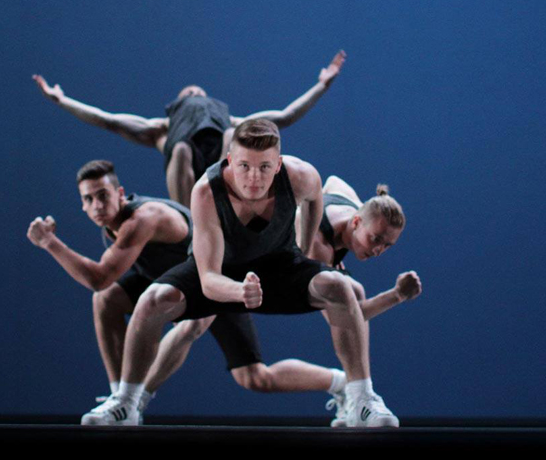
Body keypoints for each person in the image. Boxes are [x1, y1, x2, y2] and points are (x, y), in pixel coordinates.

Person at [91, 119, 405, 428]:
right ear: (230, 160)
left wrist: (304, 253)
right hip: (223, 274)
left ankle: (362, 399)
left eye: (265, 167)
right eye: (244, 166)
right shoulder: (206, 192)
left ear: (278, 164)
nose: (254, 178)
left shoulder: (303, 176)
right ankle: (126, 402)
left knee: (339, 286)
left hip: (279, 267)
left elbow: (315, 201)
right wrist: (239, 291)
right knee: (153, 300)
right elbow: (208, 278)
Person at [27, 159, 348, 425]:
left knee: (246, 371)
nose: (97, 205)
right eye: (88, 199)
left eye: (102, 195)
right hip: (165, 282)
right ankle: (120, 398)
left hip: (214, 278)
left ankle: (341, 382)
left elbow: (99, 276)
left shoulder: (143, 218)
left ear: (120, 193)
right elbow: (105, 286)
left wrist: (49, 242)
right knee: (107, 300)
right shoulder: (115, 226)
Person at [32, 51, 346, 206]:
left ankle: (229, 202)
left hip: (224, 180)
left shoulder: (231, 123)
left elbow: (285, 116)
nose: (195, 92)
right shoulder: (162, 129)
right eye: (189, 93)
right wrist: (62, 100)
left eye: (199, 92)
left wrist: (321, 85)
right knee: (181, 147)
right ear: (178, 104)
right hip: (188, 185)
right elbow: (108, 119)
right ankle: (188, 217)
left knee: (232, 137)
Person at [301, 175, 422, 426]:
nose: (378, 250)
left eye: (387, 245)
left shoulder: (350, 201)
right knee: (345, 290)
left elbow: (333, 180)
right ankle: (360, 398)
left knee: (353, 289)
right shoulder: (318, 245)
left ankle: (356, 398)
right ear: (356, 222)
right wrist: (397, 294)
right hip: (268, 271)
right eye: (376, 239)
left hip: (315, 256)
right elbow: (345, 317)